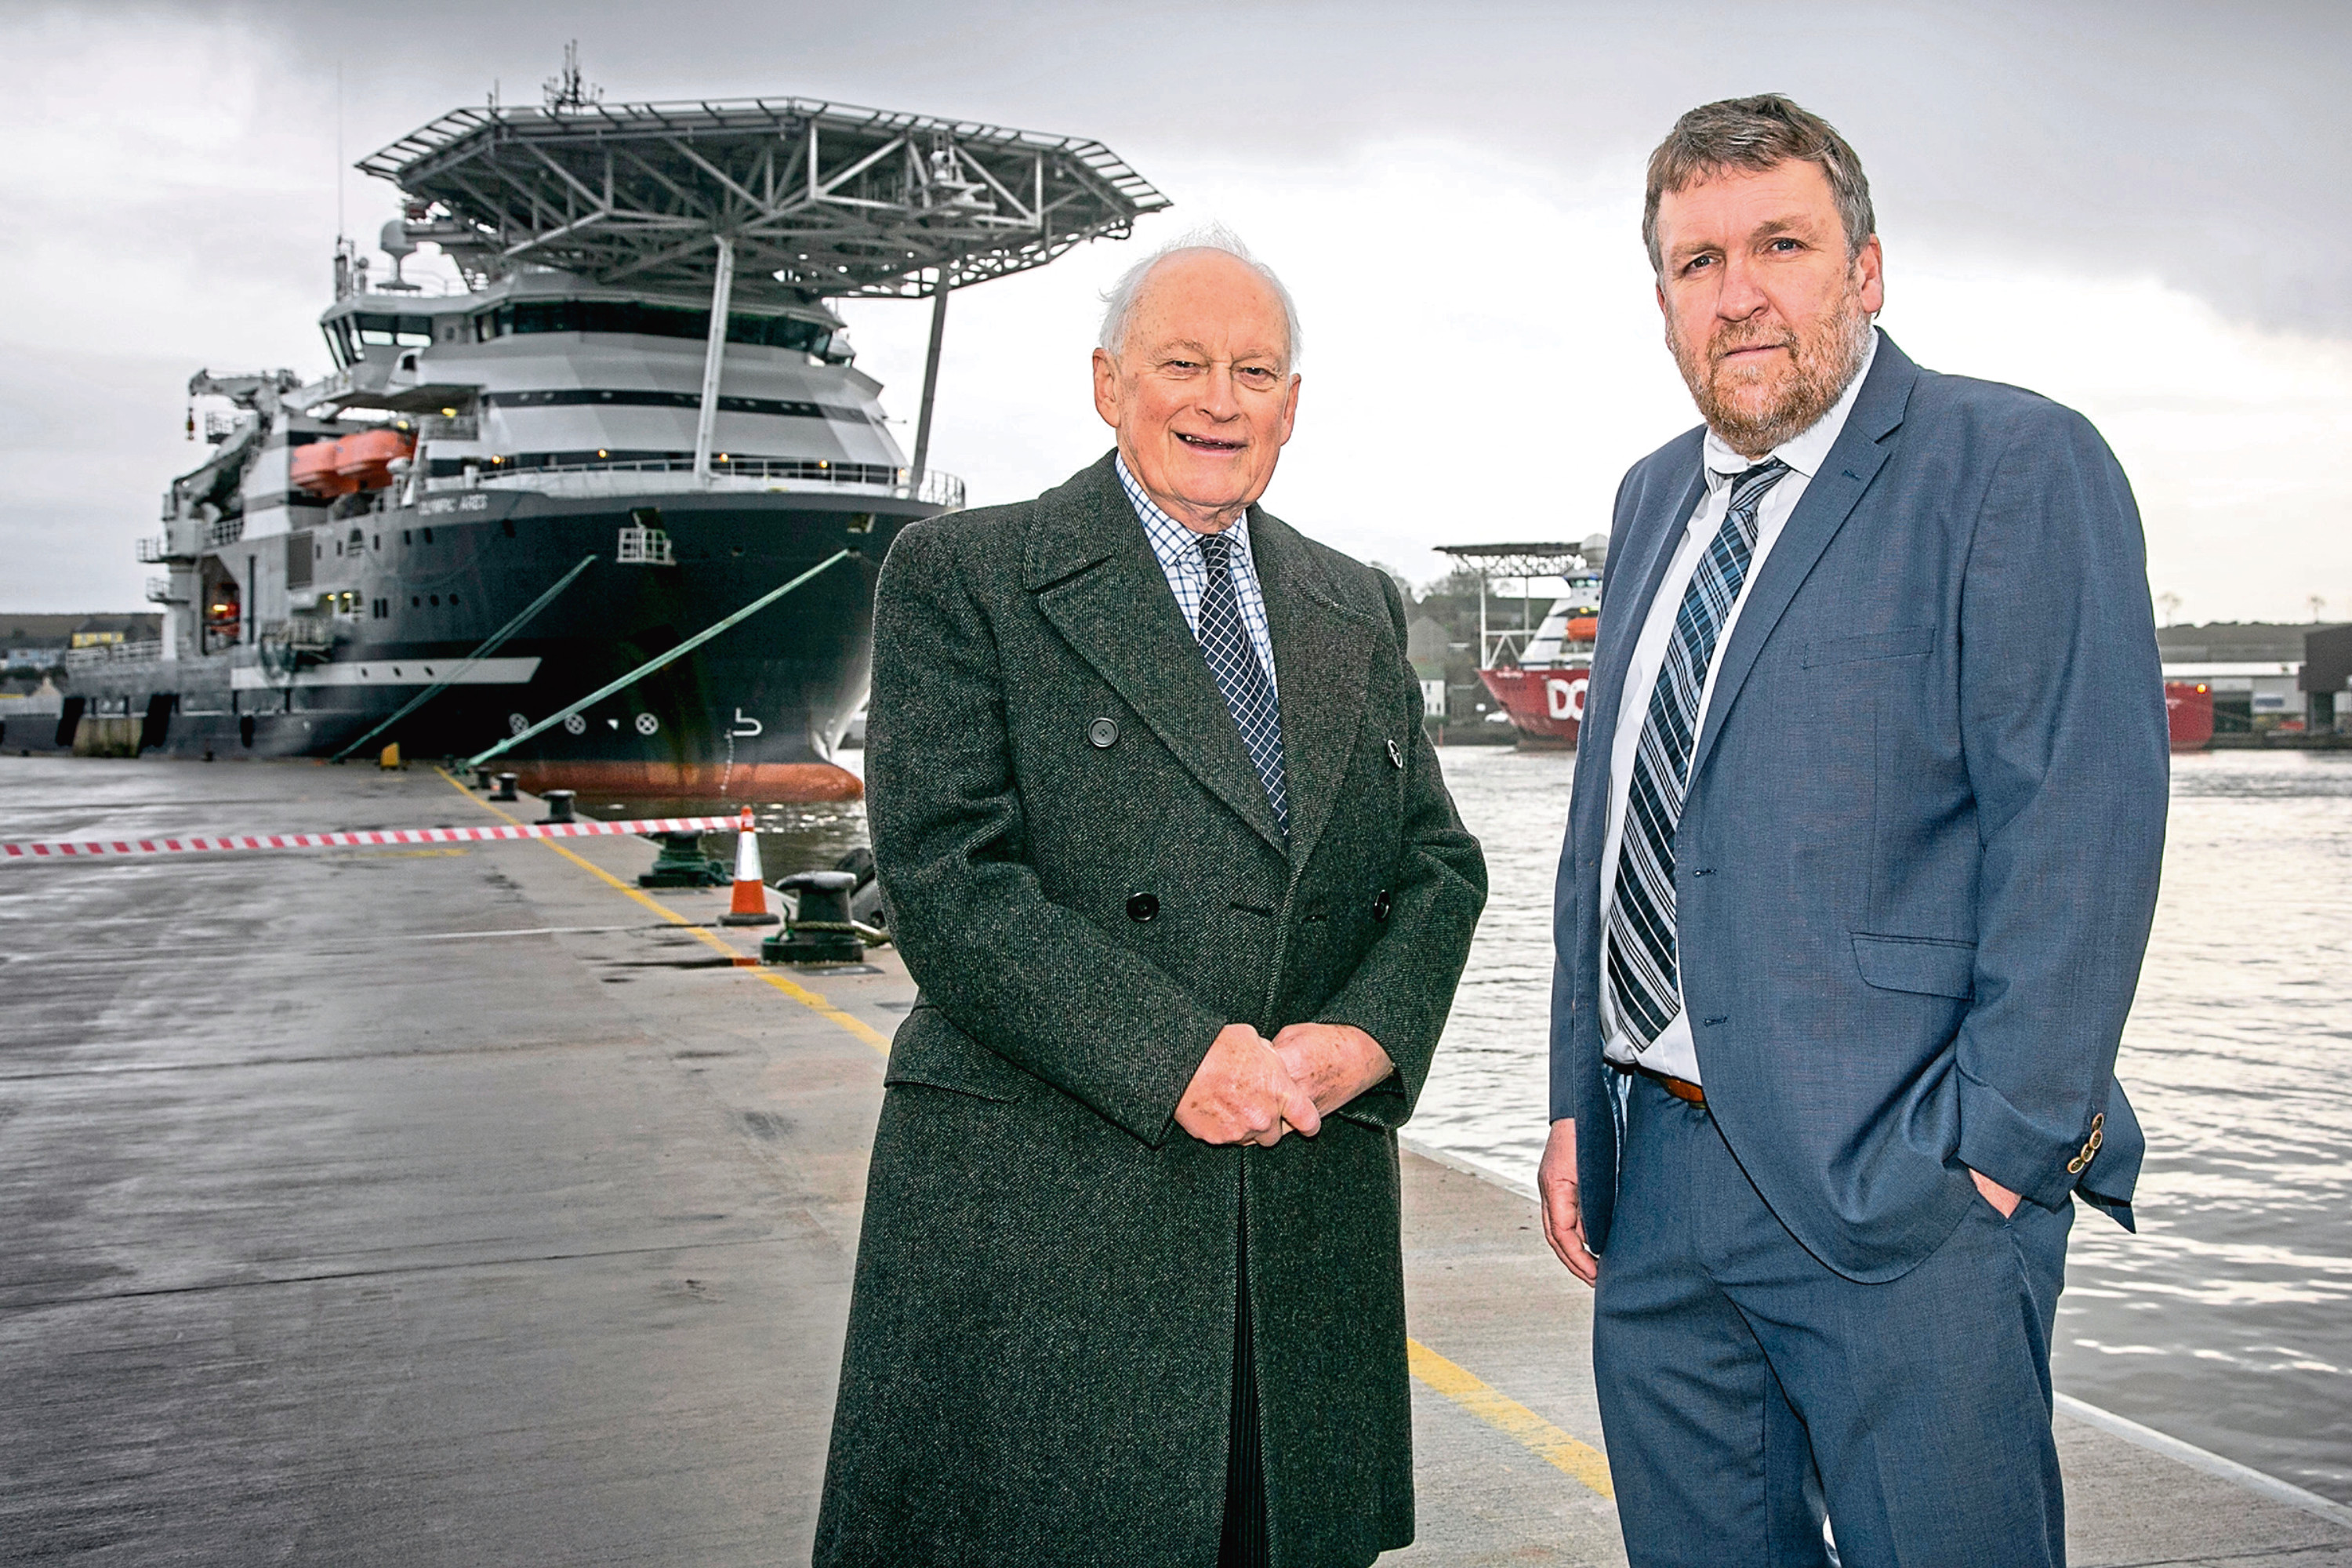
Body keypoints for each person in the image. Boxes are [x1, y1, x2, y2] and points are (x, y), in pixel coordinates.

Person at [1539, 95, 2167, 1567]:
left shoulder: (2014, 464)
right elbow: (1614, 825)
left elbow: (2082, 828)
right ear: (1663, 301)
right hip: (1662, 1185)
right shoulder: (1650, 500)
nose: (1738, 290)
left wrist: (1990, 1157)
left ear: (1865, 271)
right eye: (1698, 261)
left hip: (1907, 1194)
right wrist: (1580, 1097)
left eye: (1781, 244)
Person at [815, 227, 1487, 1568]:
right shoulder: (964, 577)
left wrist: (1371, 1035)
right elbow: (947, 881)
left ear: (1293, 406)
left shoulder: (1353, 600)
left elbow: (1435, 864)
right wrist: (1175, 1055)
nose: (1218, 401)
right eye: (1183, 363)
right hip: (1051, 1216)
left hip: (1295, 1220)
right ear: (1108, 381)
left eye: (1255, 370)